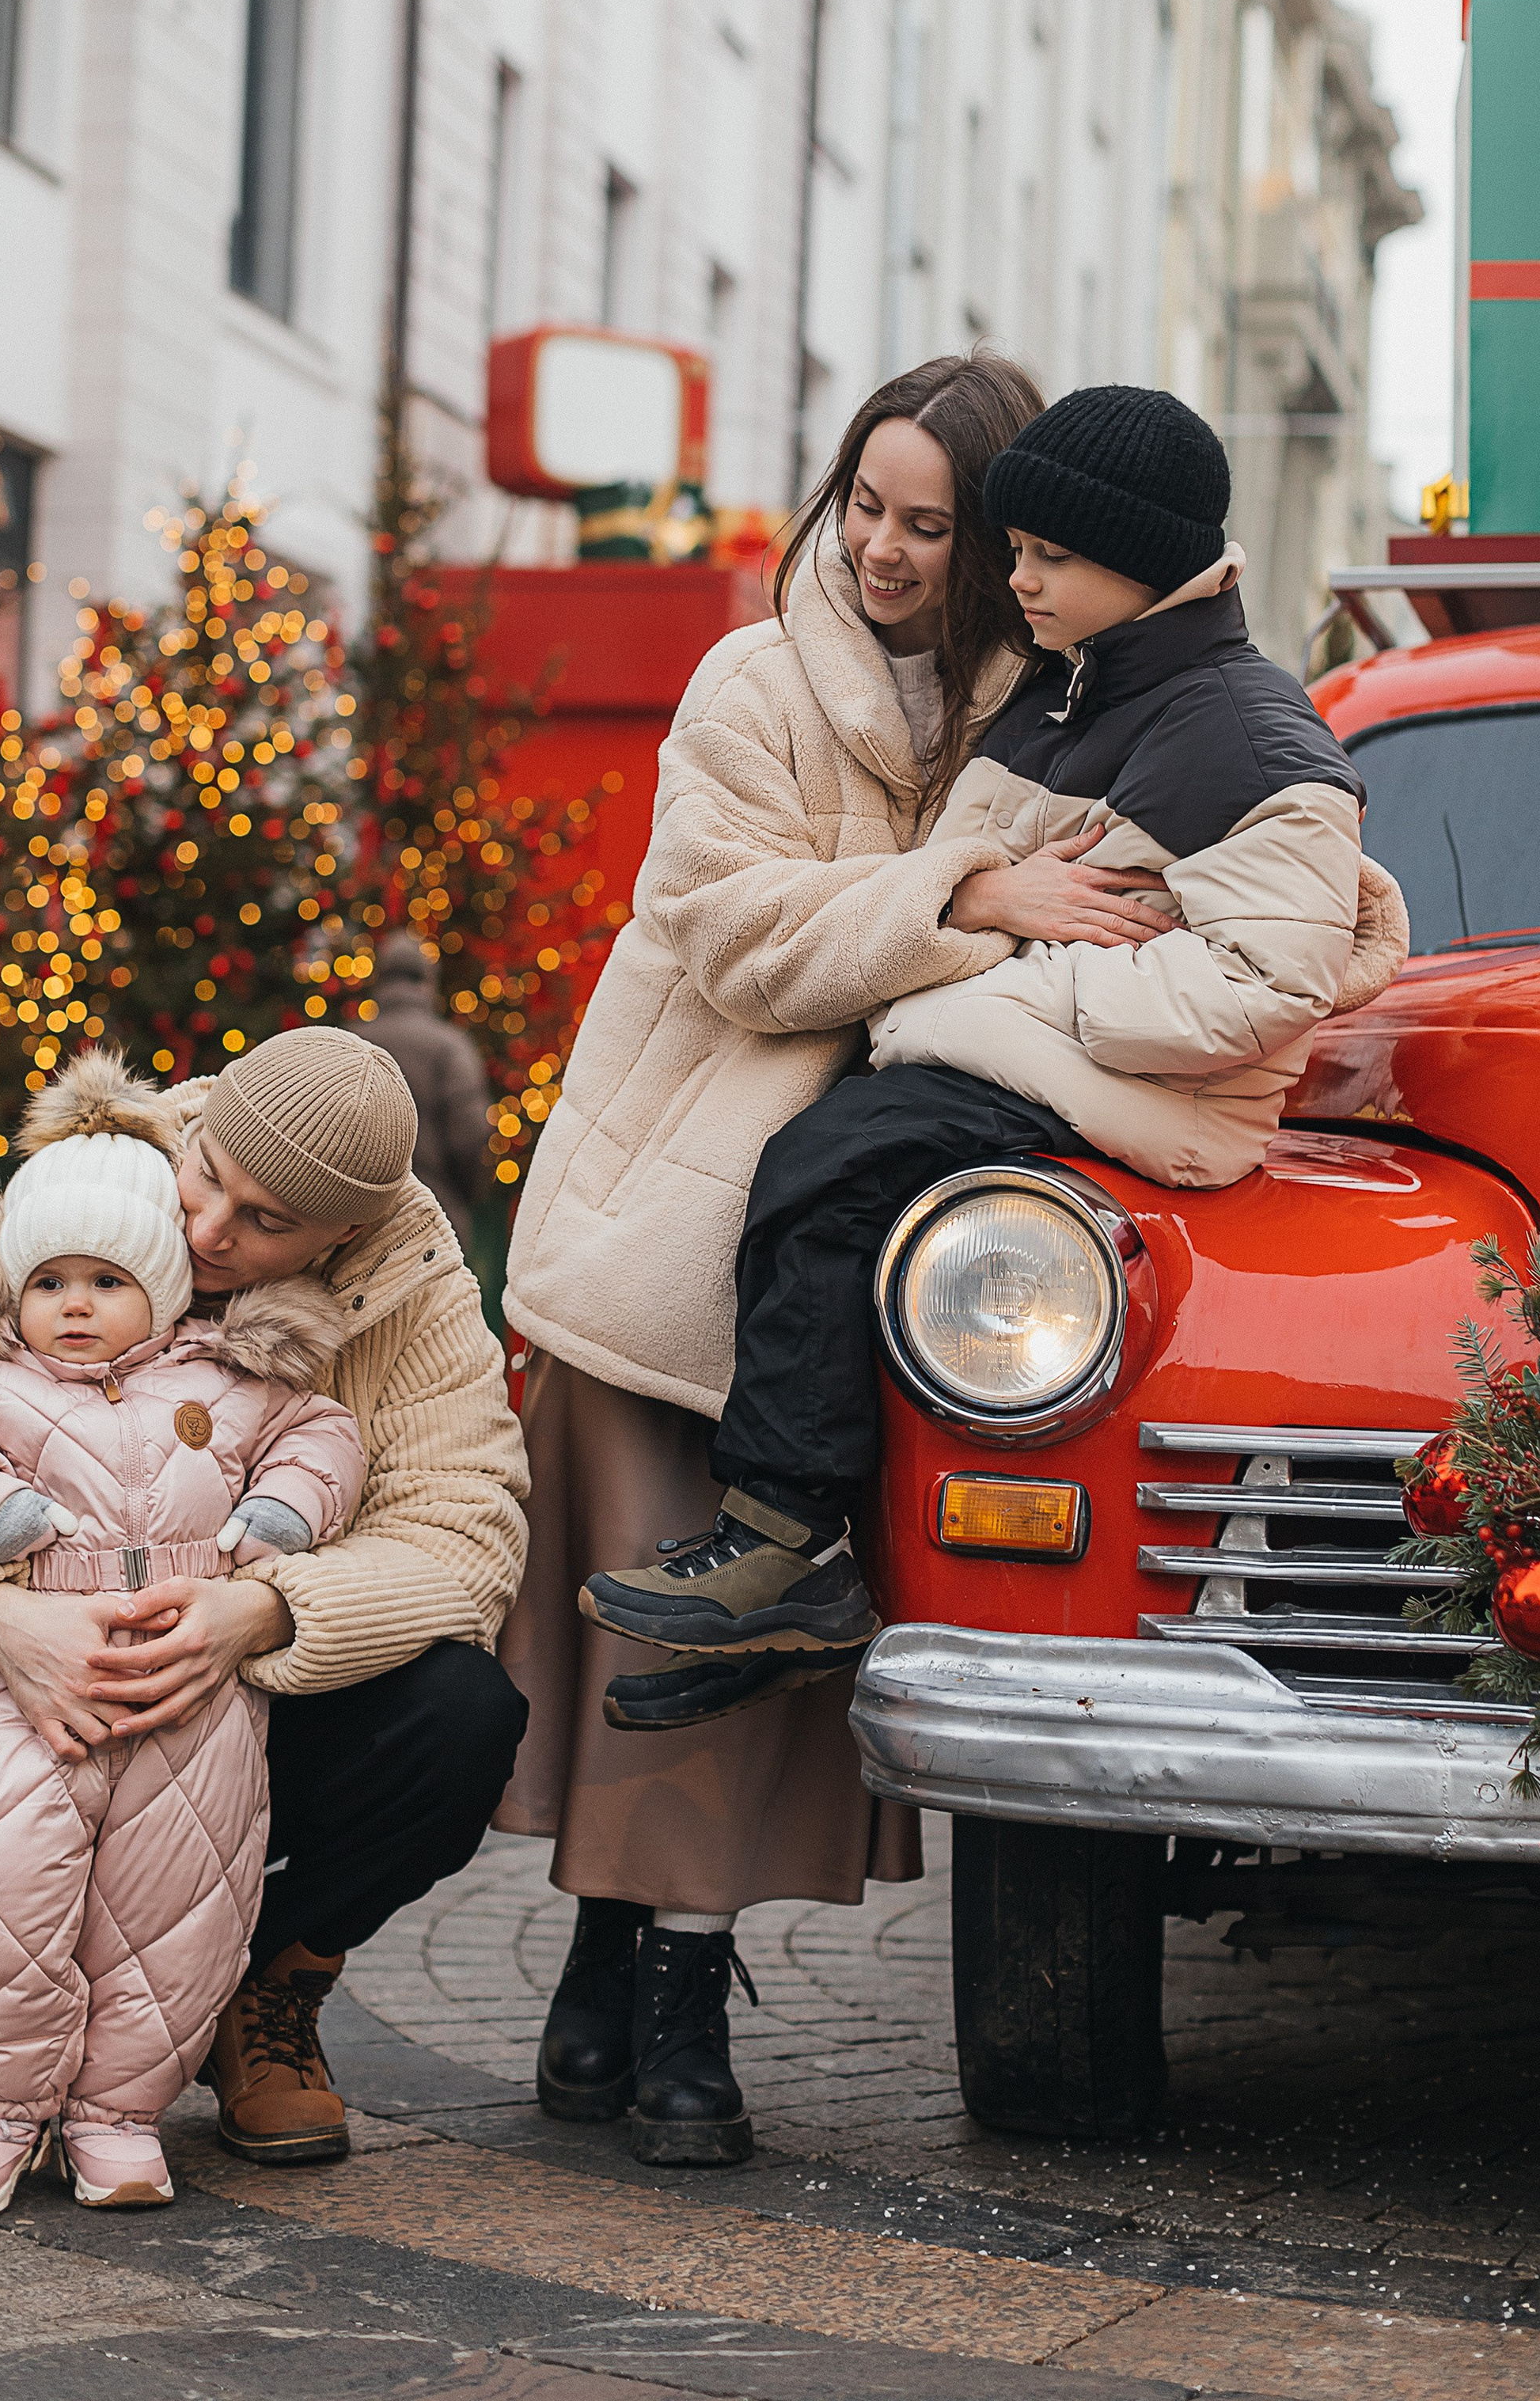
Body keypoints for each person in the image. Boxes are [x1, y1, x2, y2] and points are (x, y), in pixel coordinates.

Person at [497, 350, 1177, 2172]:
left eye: (926, 521)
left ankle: (610, 1976)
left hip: (870, 1254)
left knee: (748, 1655)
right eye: (862, 503)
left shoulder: (1046, 707)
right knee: (672, 1645)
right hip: (671, 1241)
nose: (879, 547)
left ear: (999, 542)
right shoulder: (749, 679)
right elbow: (732, 942)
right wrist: (965, 902)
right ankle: (657, 2006)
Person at [583, 385, 1411, 1674]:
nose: (1013, 575)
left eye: (1045, 554)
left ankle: (787, 1535)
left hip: (1135, 1087)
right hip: (1059, 1058)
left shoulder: (1243, 730)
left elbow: (1257, 981)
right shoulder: (1080, 686)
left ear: (1135, 563)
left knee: (831, 1167)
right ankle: (798, 1537)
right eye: (1009, 547)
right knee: (832, 1169)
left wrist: (1028, 989)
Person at [0, 1030, 530, 2170]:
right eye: (209, 1177)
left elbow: (469, 1527)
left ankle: (258, 1993)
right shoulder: (86, 1188)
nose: (211, 1231)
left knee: (463, 1718)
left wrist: (264, 1614)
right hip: (3, 1702)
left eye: (267, 1223)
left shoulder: (410, 1286)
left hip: (241, 1701)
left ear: (343, 1237)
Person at [0, 1094, 367, 2219]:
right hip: (31, 1679)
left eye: (106, 1281)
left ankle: (117, 2116)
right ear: (12, 1291)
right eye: (49, 1283)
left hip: (194, 1696)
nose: (74, 1307)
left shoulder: (231, 1382)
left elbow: (324, 1435)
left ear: (165, 1289)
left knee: (174, 1914)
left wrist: (283, 1516)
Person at [368, 932, 489, 1251]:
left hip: (360, 1222)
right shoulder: (450, 1045)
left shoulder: (353, 1041)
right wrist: (464, 1195)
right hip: (434, 1218)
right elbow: (471, 1135)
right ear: (427, 982)